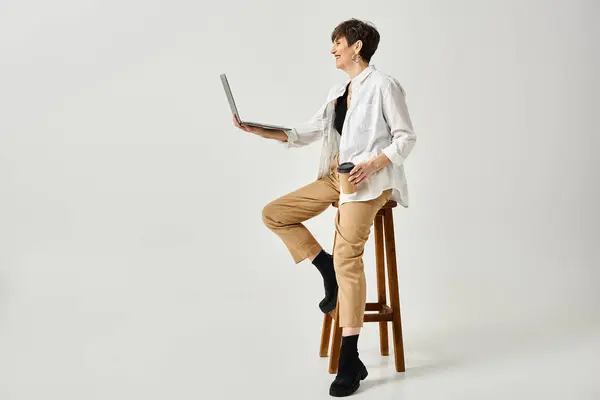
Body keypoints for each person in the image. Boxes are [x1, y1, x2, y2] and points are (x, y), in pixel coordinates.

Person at [233, 18, 416, 397]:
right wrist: (258, 128)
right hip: (337, 176)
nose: (332, 49)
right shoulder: (339, 93)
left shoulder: (384, 86)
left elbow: (405, 138)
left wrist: (373, 163)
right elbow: (306, 133)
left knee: (349, 256)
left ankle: (350, 358)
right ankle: (324, 266)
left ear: (357, 46)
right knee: (274, 214)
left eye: (337, 42)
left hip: (370, 183)